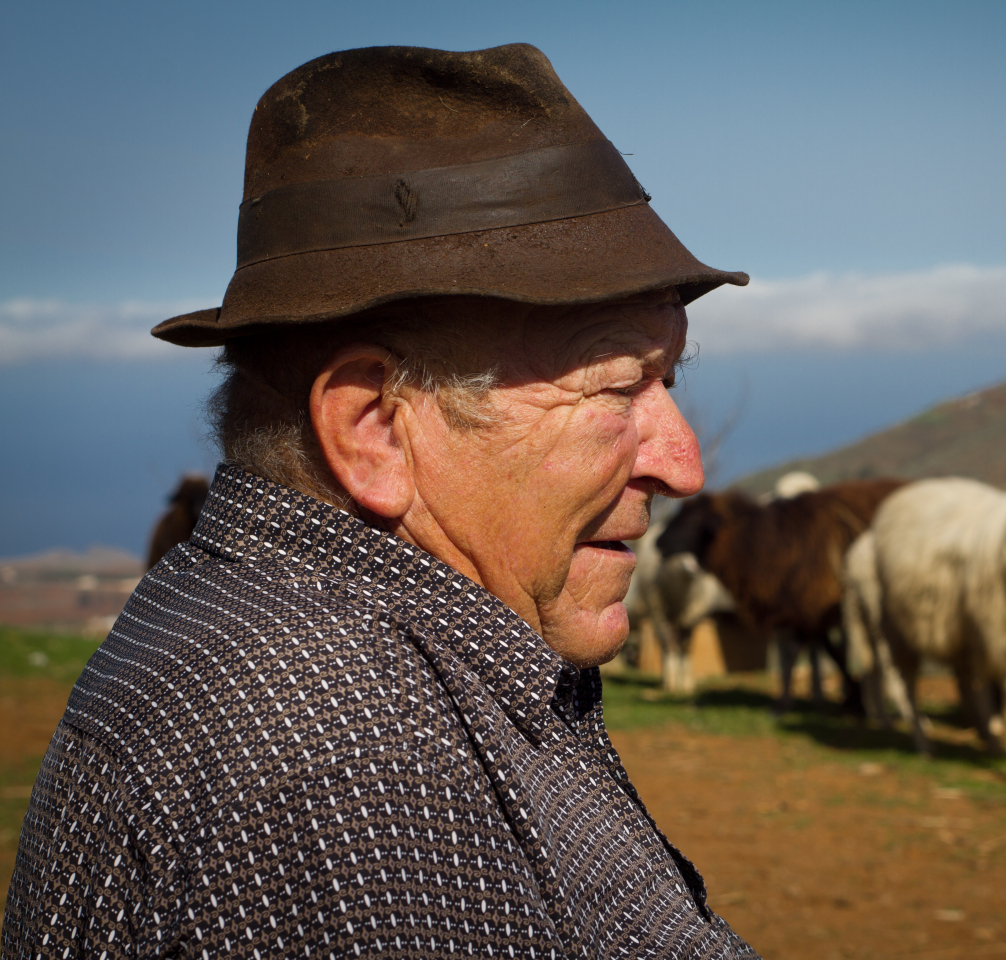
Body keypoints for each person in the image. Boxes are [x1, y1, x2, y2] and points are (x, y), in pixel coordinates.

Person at [1, 44, 757, 959]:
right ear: (375, 428)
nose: (683, 466)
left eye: (669, 378)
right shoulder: (351, 772)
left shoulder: (270, 643)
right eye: (613, 387)